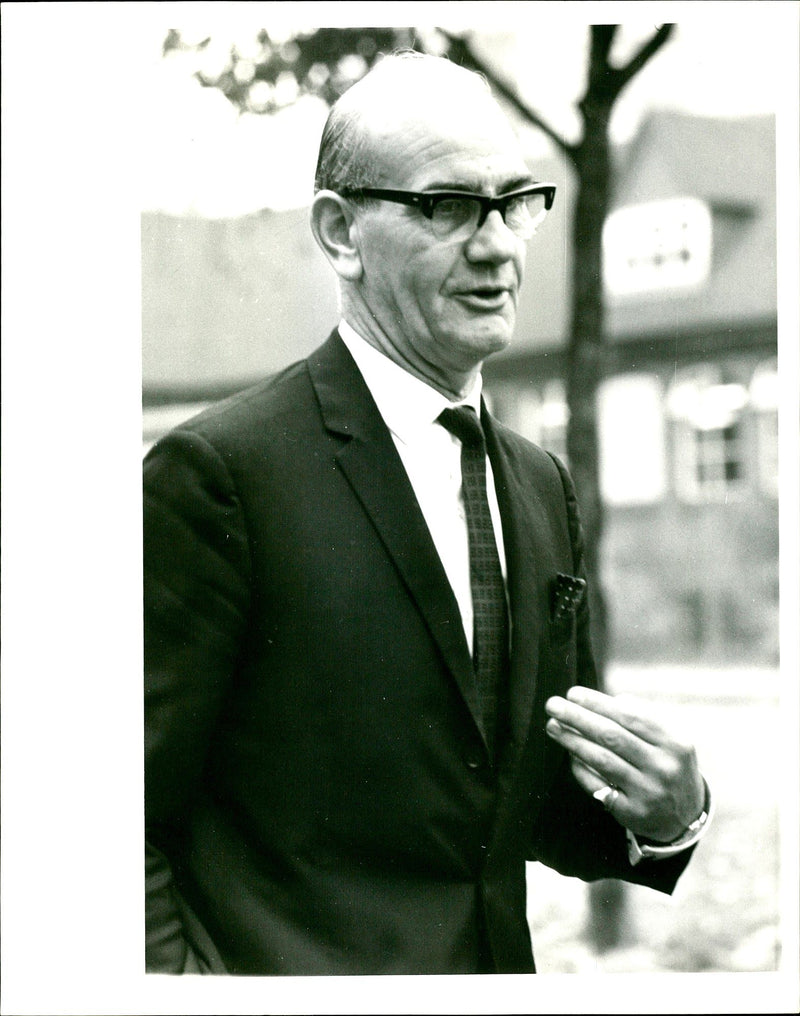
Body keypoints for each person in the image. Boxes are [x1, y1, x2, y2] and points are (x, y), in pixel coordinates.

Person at [144, 52, 710, 976]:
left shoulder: (538, 485)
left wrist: (667, 813)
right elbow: (115, 827)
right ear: (340, 233)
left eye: (516, 201)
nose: (498, 246)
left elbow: (524, 806)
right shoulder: (218, 477)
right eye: (447, 207)